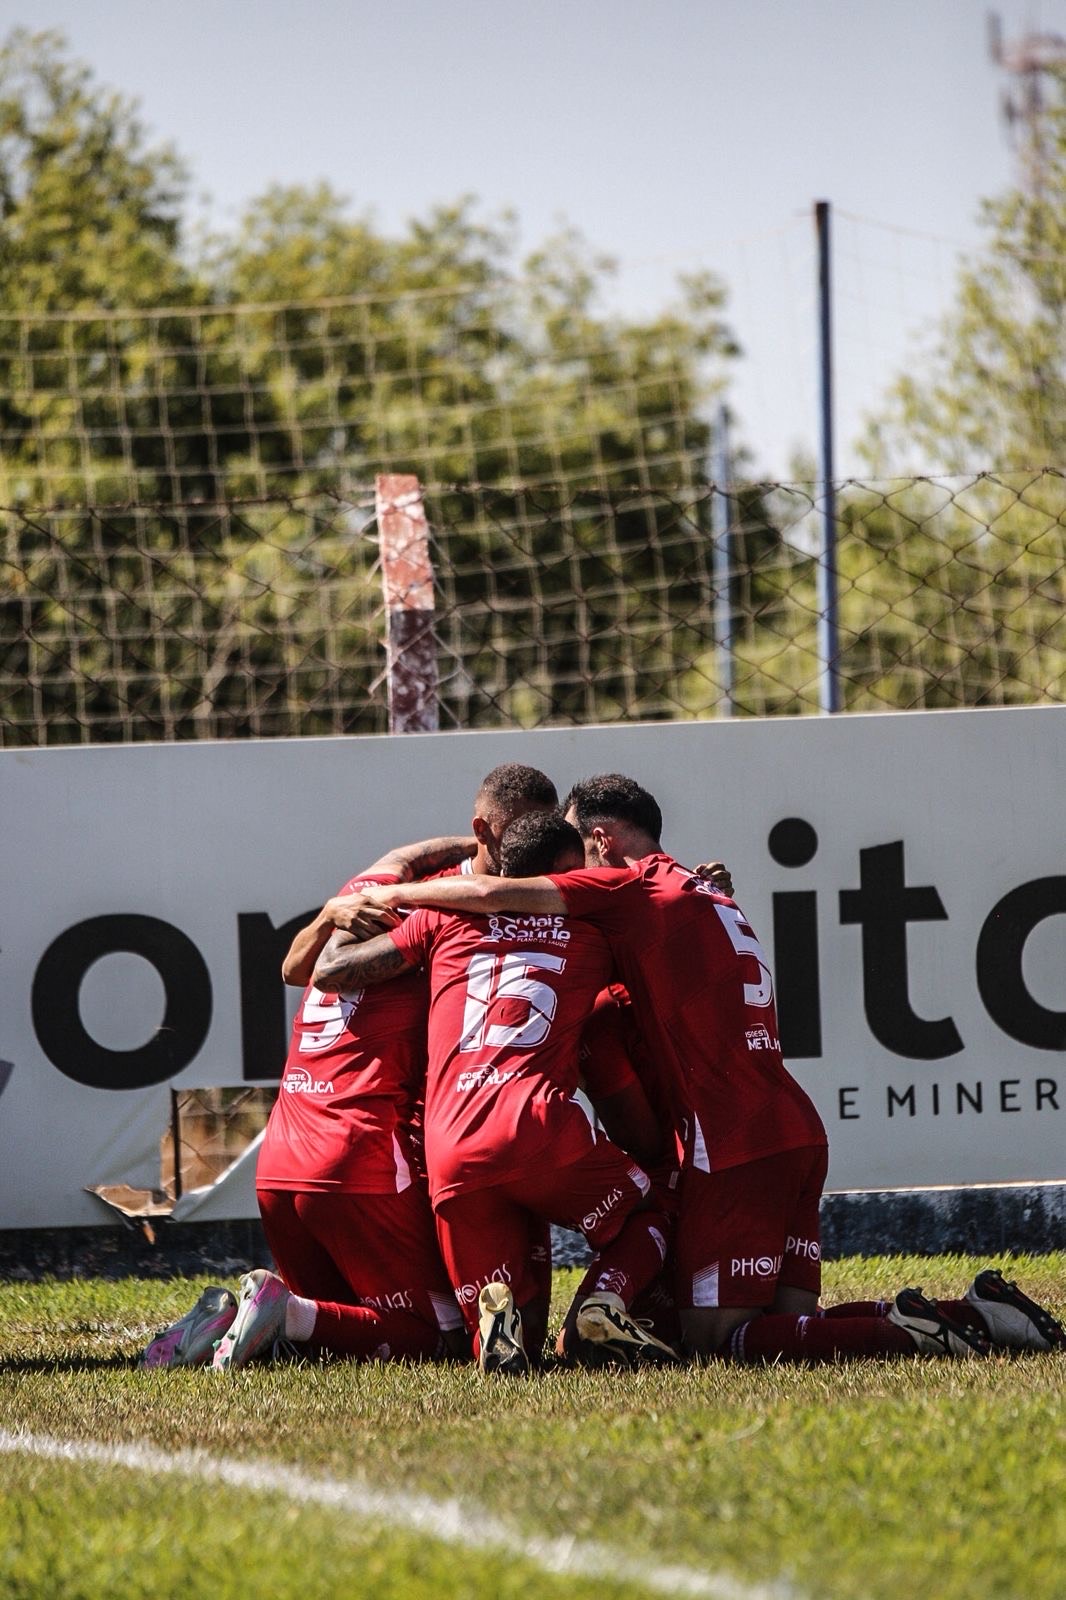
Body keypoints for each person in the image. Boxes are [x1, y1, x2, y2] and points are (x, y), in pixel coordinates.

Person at [337, 774, 1066, 1365]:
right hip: (794, 1125)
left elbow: (492, 897)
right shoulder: (705, 892)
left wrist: (394, 895)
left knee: (715, 1341)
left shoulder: (623, 896)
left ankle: (892, 1329)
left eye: (578, 856)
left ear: (597, 840)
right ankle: (964, 1315)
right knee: (787, 1326)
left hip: (724, 1139)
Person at [144, 766, 565, 1372]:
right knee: (437, 1341)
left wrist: (334, 913)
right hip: (357, 1158)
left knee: (332, 1341)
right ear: (487, 833)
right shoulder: (460, 918)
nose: (533, 853)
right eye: (520, 836)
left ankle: (223, 1323)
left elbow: (296, 967)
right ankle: (280, 1311)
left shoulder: (377, 887)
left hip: (281, 1159)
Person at [312, 809, 682, 1375]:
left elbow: (332, 972)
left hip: (451, 1150)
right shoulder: (592, 927)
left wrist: (353, 907)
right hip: (538, 1127)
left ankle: (497, 1318)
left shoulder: (443, 919)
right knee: (650, 1210)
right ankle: (602, 1305)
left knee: (516, 1335)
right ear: (562, 872)